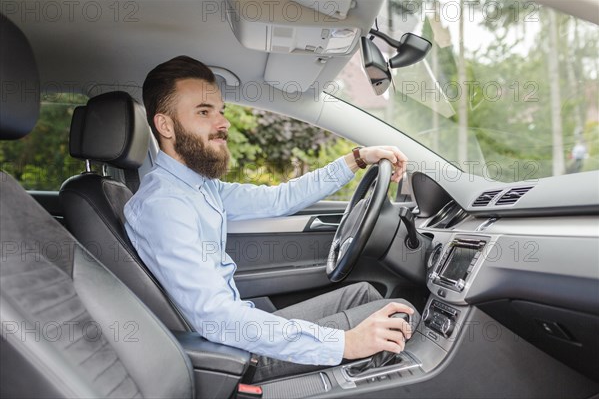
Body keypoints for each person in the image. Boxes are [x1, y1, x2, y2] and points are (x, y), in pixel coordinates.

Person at [125, 55, 418, 382]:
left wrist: (358, 159)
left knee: (364, 294)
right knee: (403, 319)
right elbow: (218, 320)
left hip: (238, 332)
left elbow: (279, 198)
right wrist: (346, 343)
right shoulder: (164, 205)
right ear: (165, 126)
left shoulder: (197, 187)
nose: (223, 124)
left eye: (221, 111)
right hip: (229, 356)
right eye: (204, 112)